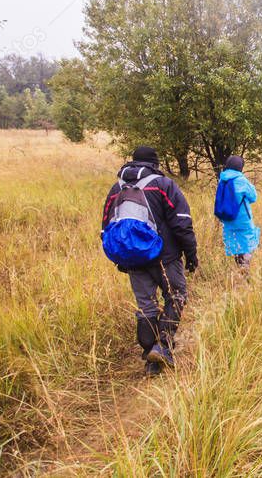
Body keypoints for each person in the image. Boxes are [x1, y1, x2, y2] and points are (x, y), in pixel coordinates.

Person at [101, 146, 198, 377]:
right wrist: (191, 254)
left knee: (146, 305)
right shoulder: (164, 185)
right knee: (176, 295)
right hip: (166, 256)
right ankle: (163, 346)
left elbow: (106, 226)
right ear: (155, 163)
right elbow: (182, 222)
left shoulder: (117, 188)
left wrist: (123, 256)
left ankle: (150, 359)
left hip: (133, 259)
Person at [215, 155, 260, 272]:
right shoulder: (241, 180)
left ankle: (239, 266)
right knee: (246, 245)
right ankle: (245, 272)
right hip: (242, 219)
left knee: (235, 243)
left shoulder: (222, 179)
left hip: (227, 219)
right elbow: (253, 197)